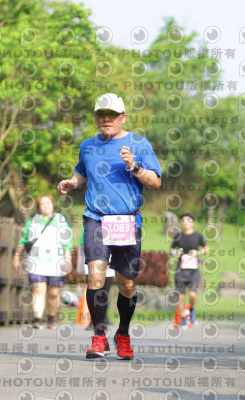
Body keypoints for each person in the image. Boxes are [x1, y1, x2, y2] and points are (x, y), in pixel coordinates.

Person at [58, 93, 161, 360]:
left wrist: (133, 166)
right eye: (101, 115)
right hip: (96, 218)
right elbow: (82, 172)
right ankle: (99, 335)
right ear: (95, 118)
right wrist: (72, 182)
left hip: (128, 220)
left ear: (122, 118)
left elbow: (155, 182)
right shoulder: (87, 146)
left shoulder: (139, 143)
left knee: (127, 284)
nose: (106, 120)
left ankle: (123, 334)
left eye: (112, 116)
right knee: (95, 277)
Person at [13, 194, 73, 329]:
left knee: (53, 293)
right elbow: (23, 241)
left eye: (48, 203)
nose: (46, 206)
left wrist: (67, 259)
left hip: (55, 263)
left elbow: (67, 242)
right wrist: (16, 257)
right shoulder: (32, 222)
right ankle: (37, 319)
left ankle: (51, 317)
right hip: (36, 262)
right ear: (39, 207)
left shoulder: (60, 220)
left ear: (53, 205)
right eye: (42, 204)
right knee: (38, 290)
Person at [169, 213, 209, 328]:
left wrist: (198, 253)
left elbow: (206, 249)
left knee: (192, 293)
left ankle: (191, 309)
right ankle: (182, 318)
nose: (185, 223)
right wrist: (175, 253)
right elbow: (171, 250)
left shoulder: (198, 236)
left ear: (193, 222)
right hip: (180, 269)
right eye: (183, 221)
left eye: (188, 220)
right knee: (181, 296)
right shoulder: (178, 236)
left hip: (193, 269)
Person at [77, 229, 114, 331]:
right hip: (92, 260)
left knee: (105, 292)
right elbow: (82, 244)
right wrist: (80, 265)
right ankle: (93, 321)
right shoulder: (90, 222)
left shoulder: (114, 220)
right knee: (93, 290)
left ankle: (102, 319)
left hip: (110, 261)